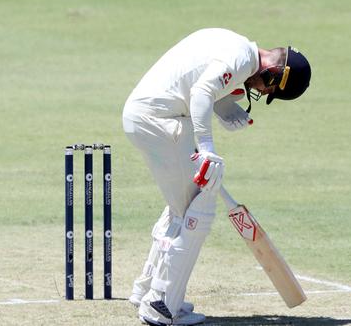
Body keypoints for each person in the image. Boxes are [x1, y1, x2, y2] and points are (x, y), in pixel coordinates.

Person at [121, 28, 311, 325]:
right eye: (267, 89)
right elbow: (199, 93)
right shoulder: (240, 60)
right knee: (199, 209)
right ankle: (161, 306)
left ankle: (147, 289)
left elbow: (193, 76)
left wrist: (222, 106)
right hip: (161, 121)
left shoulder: (234, 45)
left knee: (181, 207)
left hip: (148, 115)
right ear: (274, 74)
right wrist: (207, 148)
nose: (260, 92)